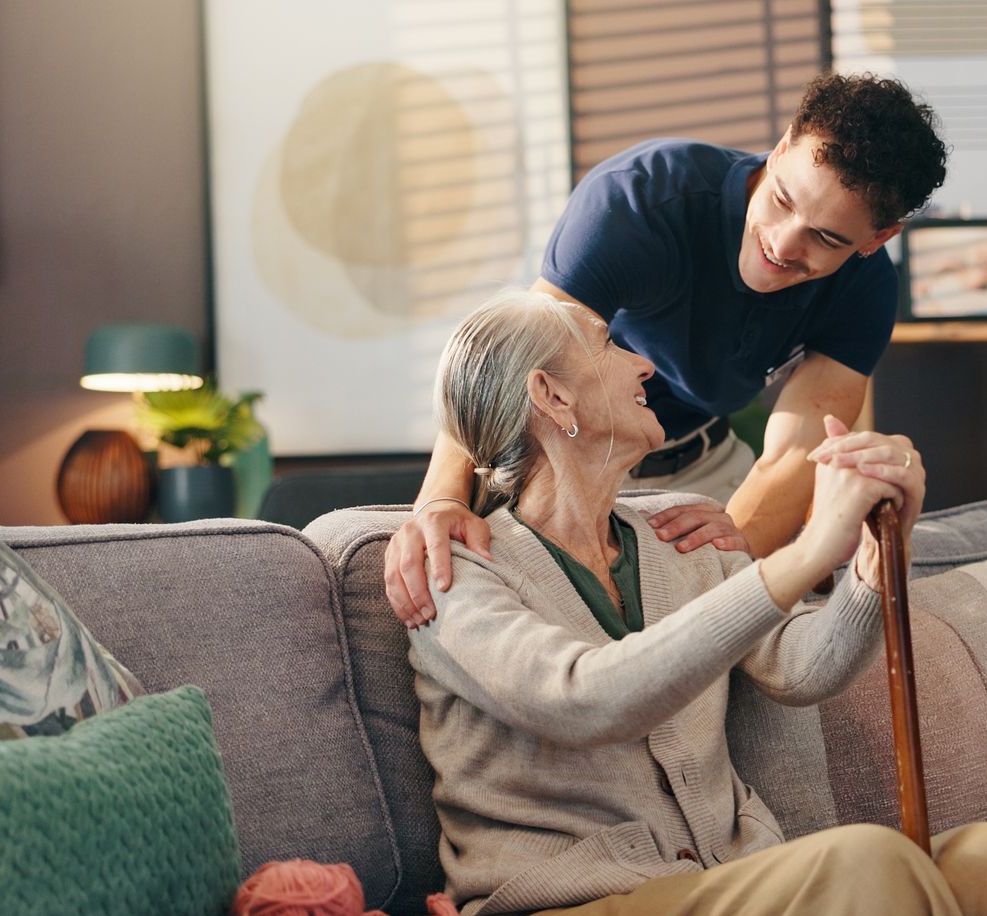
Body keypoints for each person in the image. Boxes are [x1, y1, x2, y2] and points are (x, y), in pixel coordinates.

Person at [406, 287, 987, 916]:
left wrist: (876, 555)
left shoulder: (675, 537)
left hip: (714, 881)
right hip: (558, 913)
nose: (644, 365)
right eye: (610, 346)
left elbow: (802, 667)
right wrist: (805, 553)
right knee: (862, 862)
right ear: (551, 395)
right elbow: (584, 697)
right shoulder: (459, 574)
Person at [386, 72, 950, 628]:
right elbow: (510, 364)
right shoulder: (639, 200)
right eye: (782, 200)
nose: (782, 244)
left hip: (706, 468)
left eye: (825, 238)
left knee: (741, 629)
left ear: (878, 239)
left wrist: (729, 553)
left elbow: (794, 452)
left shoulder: (866, 289)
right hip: (568, 463)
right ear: (781, 150)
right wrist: (441, 500)